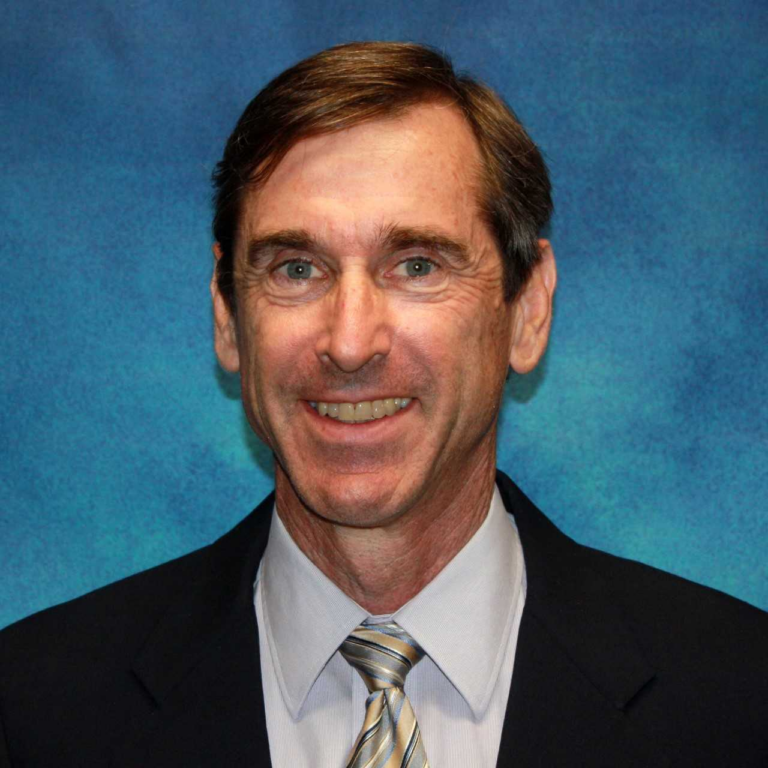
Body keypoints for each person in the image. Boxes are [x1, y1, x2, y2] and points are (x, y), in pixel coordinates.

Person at [0, 41, 766, 768]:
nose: (351, 341)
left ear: (527, 309)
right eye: (297, 268)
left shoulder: (738, 701)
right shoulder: (36, 710)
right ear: (228, 318)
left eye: (417, 264)